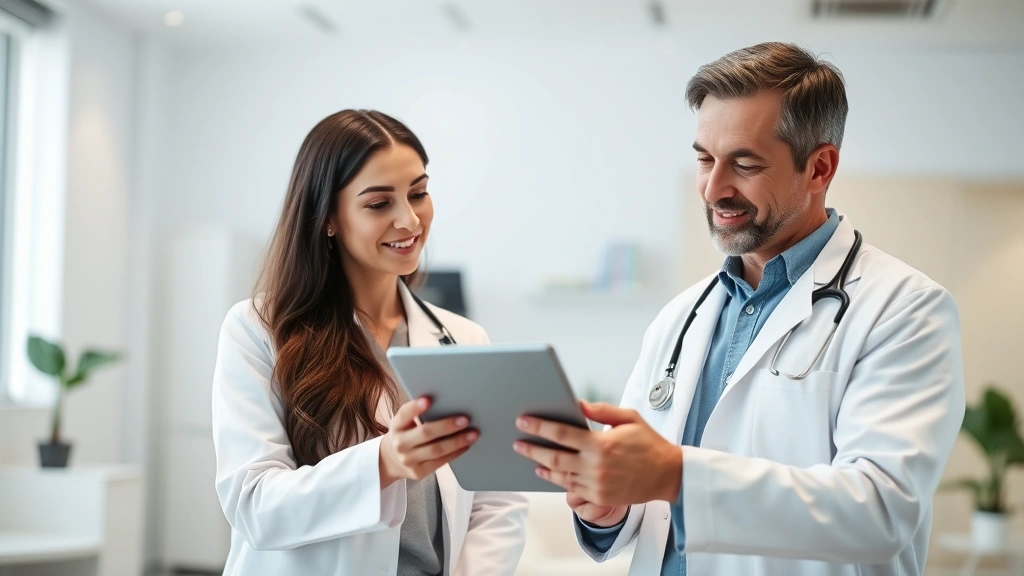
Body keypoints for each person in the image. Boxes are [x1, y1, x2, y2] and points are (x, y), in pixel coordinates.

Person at [513, 42, 965, 576]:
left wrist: (677, 475)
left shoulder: (905, 310)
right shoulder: (681, 317)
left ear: (820, 167)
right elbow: (648, 511)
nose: (712, 188)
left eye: (744, 164)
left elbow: (882, 511)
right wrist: (609, 510)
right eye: (704, 159)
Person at [212, 109, 527, 575]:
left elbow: (497, 503)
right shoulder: (257, 329)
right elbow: (254, 504)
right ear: (328, 219)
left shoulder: (463, 338)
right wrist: (384, 461)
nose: (409, 219)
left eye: (418, 193)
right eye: (379, 204)